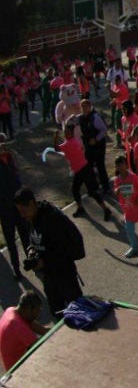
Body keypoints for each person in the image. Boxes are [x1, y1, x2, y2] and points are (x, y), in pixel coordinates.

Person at [14, 188, 87, 318]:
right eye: (19, 212)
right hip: (49, 278)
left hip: (65, 276)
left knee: (79, 313)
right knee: (57, 313)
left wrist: (45, 262)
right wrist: (31, 250)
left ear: (31, 204)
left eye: (23, 211)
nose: (22, 215)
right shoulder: (32, 219)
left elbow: (72, 250)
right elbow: (35, 240)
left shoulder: (54, 219)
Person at [52, 122, 113, 221]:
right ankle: (81, 208)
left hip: (83, 170)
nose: (65, 134)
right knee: (76, 189)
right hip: (81, 169)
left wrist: (55, 137)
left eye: (67, 132)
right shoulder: (74, 141)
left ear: (72, 133)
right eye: (64, 132)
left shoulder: (69, 143)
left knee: (92, 192)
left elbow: (56, 148)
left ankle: (106, 210)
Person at [0, 134, 29, 280]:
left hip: (18, 206)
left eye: (4, 143)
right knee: (11, 241)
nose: (3, 147)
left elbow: (19, 173)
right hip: (5, 209)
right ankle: (16, 268)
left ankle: (31, 260)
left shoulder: (11, 158)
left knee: (25, 235)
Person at [0, 292, 48, 371]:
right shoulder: (20, 327)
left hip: (11, 362)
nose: (37, 316)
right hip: (17, 369)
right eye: (36, 312)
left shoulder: (11, 310)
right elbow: (40, 347)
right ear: (28, 308)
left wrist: (47, 331)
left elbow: (39, 328)